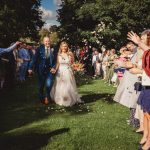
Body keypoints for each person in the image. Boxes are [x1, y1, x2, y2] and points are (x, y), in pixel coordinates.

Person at [50, 41, 82, 107]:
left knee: (68, 85)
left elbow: (73, 63)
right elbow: (58, 63)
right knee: (60, 85)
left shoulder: (70, 54)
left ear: (67, 47)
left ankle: (69, 99)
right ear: (61, 47)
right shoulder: (58, 54)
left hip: (68, 71)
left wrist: (76, 68)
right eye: (63, 46)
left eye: (65, 46)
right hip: (60, 72)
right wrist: (55, 70)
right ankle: (61, 99)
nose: (64, 47)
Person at [28, 37, 56, 104]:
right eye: (46, 41)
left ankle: (47, 97)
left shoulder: (53, 49)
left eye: (48, 41)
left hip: (50, 70)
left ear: (50, 41)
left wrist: (53, 67)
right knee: (41, 86)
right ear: (43, 42)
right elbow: (34, 58)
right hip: (41, 70)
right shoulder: (39, 49)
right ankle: (41, 99)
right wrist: (30, 68)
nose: (47, 43)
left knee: (49, 84)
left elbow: (55, 61)